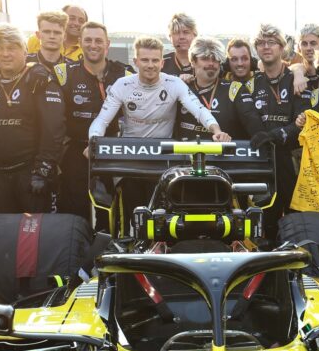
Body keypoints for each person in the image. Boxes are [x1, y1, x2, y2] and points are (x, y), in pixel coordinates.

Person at [88, 36, 229, 229]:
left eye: (155, 60)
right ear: (135, 61)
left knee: (163, 215)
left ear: (162, 62)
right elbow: (102, 120)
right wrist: (93, 142)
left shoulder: (174, 84)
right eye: (145, 60)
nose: (150, 65)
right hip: (131, 159)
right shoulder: (123, 85)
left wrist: (216, 130)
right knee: (134, 211)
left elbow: (198, 110)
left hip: (164, 159)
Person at [234, 24, 313, 241]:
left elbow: (302, 124)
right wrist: (268, 136)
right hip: (262, 163)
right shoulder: (250, 84)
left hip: (292, 162)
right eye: (261, 43)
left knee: (296, 223)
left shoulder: (297, 79)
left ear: (281, 47)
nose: (266, 47)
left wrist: (274, 135)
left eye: (271, 42)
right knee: (264, 224)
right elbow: (251, 121)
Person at [0, 22, 65, 215]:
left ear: (25, 50)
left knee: (36, 238)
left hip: (33, 174)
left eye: (11, 48)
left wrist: (43, 170)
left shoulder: (40, 80)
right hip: (1, 175)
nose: (5, 54)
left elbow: (54, 130)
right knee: (4, 235)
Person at [56, 21, 133, 222]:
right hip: (75, 150)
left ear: (107, 44)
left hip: (110, 150)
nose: (93, 45)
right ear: (80, 42)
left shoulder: (123, 73)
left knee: (109, 215)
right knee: (74, 214)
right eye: (88, 40)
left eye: (98, 40)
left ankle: (107, 250)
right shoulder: (64, 73)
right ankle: (78, 251)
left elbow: (153, 80)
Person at [179, 36, 247, 140]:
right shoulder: (181, 87)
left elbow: (251, 120)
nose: (211, 63)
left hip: (222, 154)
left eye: (215, 59)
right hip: (184, 154)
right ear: (193, 61)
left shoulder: (234, 89)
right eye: (205, 59)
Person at [162, 13, 196, 80]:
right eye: (176, 33)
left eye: (186, 32)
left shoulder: (205, 61)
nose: (181, 37)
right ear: (170, 36)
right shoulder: (161, 62)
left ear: (194, 35)